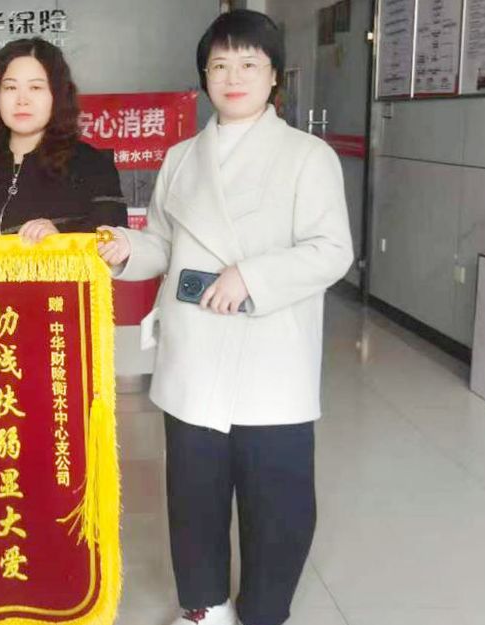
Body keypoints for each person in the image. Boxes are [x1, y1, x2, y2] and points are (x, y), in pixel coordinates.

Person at [96, 10, 354, 625]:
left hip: (271, 352)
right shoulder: (182, 157)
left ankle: (264, 611)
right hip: (196, 349)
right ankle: (204, 607)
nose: (233, 77)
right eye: (219, 65)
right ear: (204, 77)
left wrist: (252, 277)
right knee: (194, 496)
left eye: (248, 64)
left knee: (277, 503)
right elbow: (164, 243)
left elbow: (331, 251)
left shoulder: (308, 156)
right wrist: (127, 250)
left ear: (274, 76)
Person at [0, 37, 126, 241]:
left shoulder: (93, 168)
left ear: (57, 95)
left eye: (35, 88)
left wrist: (63, 241)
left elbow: (112, 243)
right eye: (10, 88)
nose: (22, 100)